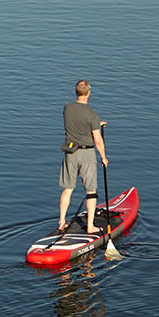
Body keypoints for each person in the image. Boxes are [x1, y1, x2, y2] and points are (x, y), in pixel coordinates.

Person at [58, 80, 108, 234]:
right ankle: (91, 226)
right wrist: (103, 157)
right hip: (86, 154)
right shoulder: (92, 114)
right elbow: (97, 140)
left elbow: (78, 122)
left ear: (76, 92)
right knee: (90, 190)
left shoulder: (67, 108)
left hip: (71, 153)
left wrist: (95, 124)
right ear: (89, 93)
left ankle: (61, 222)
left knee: (68, 189)